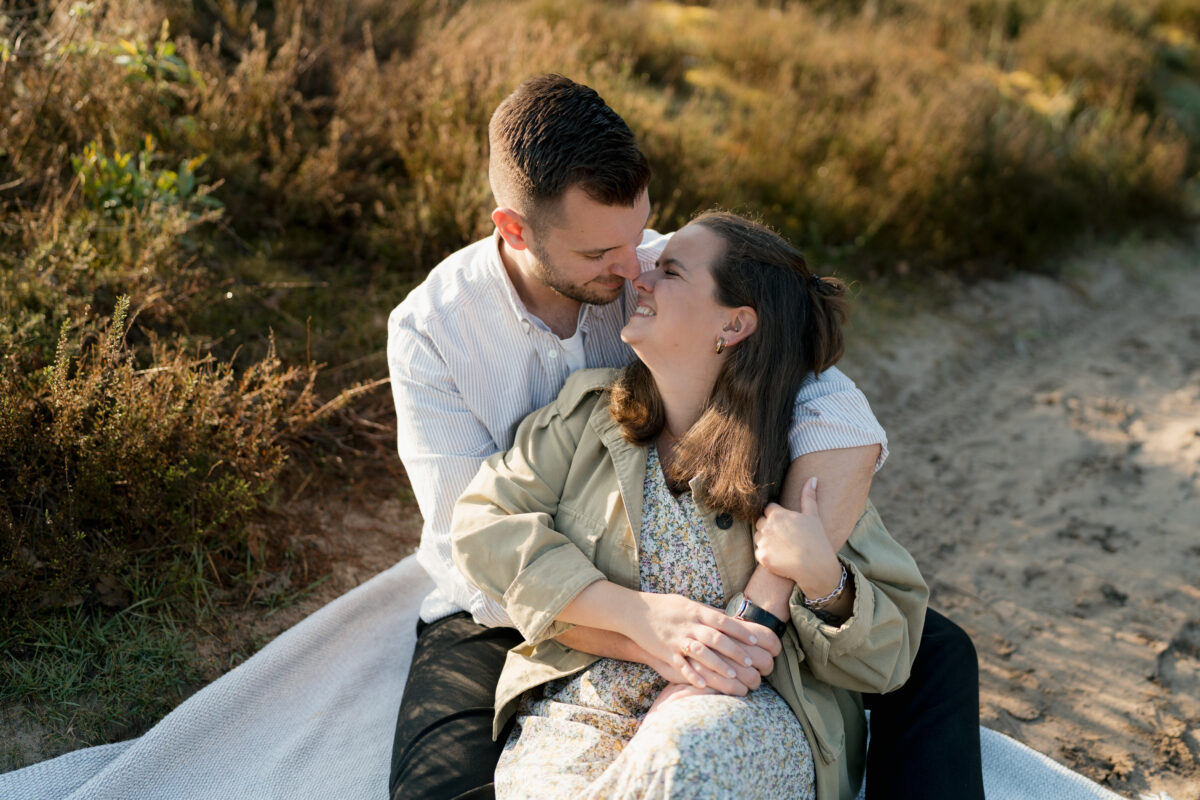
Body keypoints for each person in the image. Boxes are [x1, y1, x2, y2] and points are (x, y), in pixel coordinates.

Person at [387, 74, 984, 800]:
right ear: (515, 229)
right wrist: (648, 633)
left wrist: (764, 608)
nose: (631, 266)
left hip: (713, 611)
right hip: (519, 611)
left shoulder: (661, 268)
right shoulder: (434, 332)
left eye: (641, 236)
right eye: (602, 253)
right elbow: (473, 547)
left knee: (934, 649)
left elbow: (828, 404)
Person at [450, 211, 928, 799]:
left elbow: (888, 660)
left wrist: (823, 576)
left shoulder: (805, 454)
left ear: (733, 324)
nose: (641, 281)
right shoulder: (586, 416)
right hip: (589, 702)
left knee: (680, 764)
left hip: (748, 715)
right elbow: (482, 525)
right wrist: (638, 621)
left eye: (670, 272)